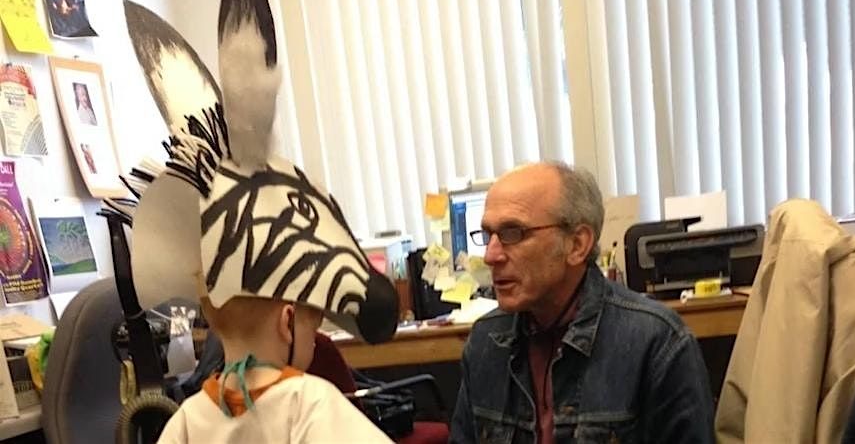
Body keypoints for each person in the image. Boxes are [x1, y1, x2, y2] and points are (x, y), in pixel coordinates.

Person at [450, 162, 715, 443]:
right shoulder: (486, 341)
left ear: (577, 245)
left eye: (513, 233)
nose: (490, 256)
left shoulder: (656, 342)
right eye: (488, 235)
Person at [157, 294, 391, 443]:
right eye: (313, 330)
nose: (313, 342)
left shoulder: (188, 417)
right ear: (287, 321)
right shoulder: (309, 401)